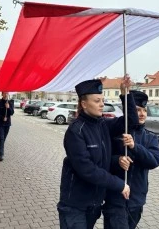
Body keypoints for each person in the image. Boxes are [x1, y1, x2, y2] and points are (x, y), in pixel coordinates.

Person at [57, 77, 139, 229]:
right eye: (96, 101)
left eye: (103, 100)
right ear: (84, 104)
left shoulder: (103, 125)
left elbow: (131, 122)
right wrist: (119, 184)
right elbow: (86, 169)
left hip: (94, 204)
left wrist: (125, 94)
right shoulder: (76, 131)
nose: (102, 104)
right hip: (75, 205)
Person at [103, 90, 159, 229]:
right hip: (116, 198)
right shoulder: (116, 132)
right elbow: (104, 159)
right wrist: (117, 160)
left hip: (136, 199)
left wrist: (135, 146)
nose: (142, 114)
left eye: (144, 110)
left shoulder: (150, 137)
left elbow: (154, 161)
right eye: (137, 110)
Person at [0, 92, 14, 161]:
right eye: (4, 93)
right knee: (1, 138)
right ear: (2, 94)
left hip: (7, 124)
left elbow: (12, 113)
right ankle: (1, 154)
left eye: (7, 93)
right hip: (0, 123)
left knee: (3, 139)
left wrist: (8, 108)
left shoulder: (10, 103)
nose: (6, 94)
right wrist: (2, 117)